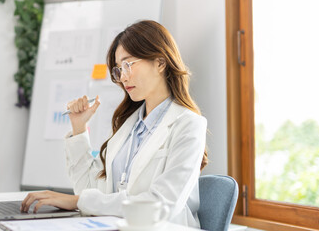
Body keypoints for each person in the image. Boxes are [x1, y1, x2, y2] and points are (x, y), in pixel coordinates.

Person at [21, 20, 208, 228]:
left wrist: (78, 201)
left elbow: (162, 204)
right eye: (118, 69)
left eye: (128, 64)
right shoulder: (128, 127)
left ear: (160, 63)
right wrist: (79, 128)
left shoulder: (189, 125)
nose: (123, 77)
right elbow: (87, 190)